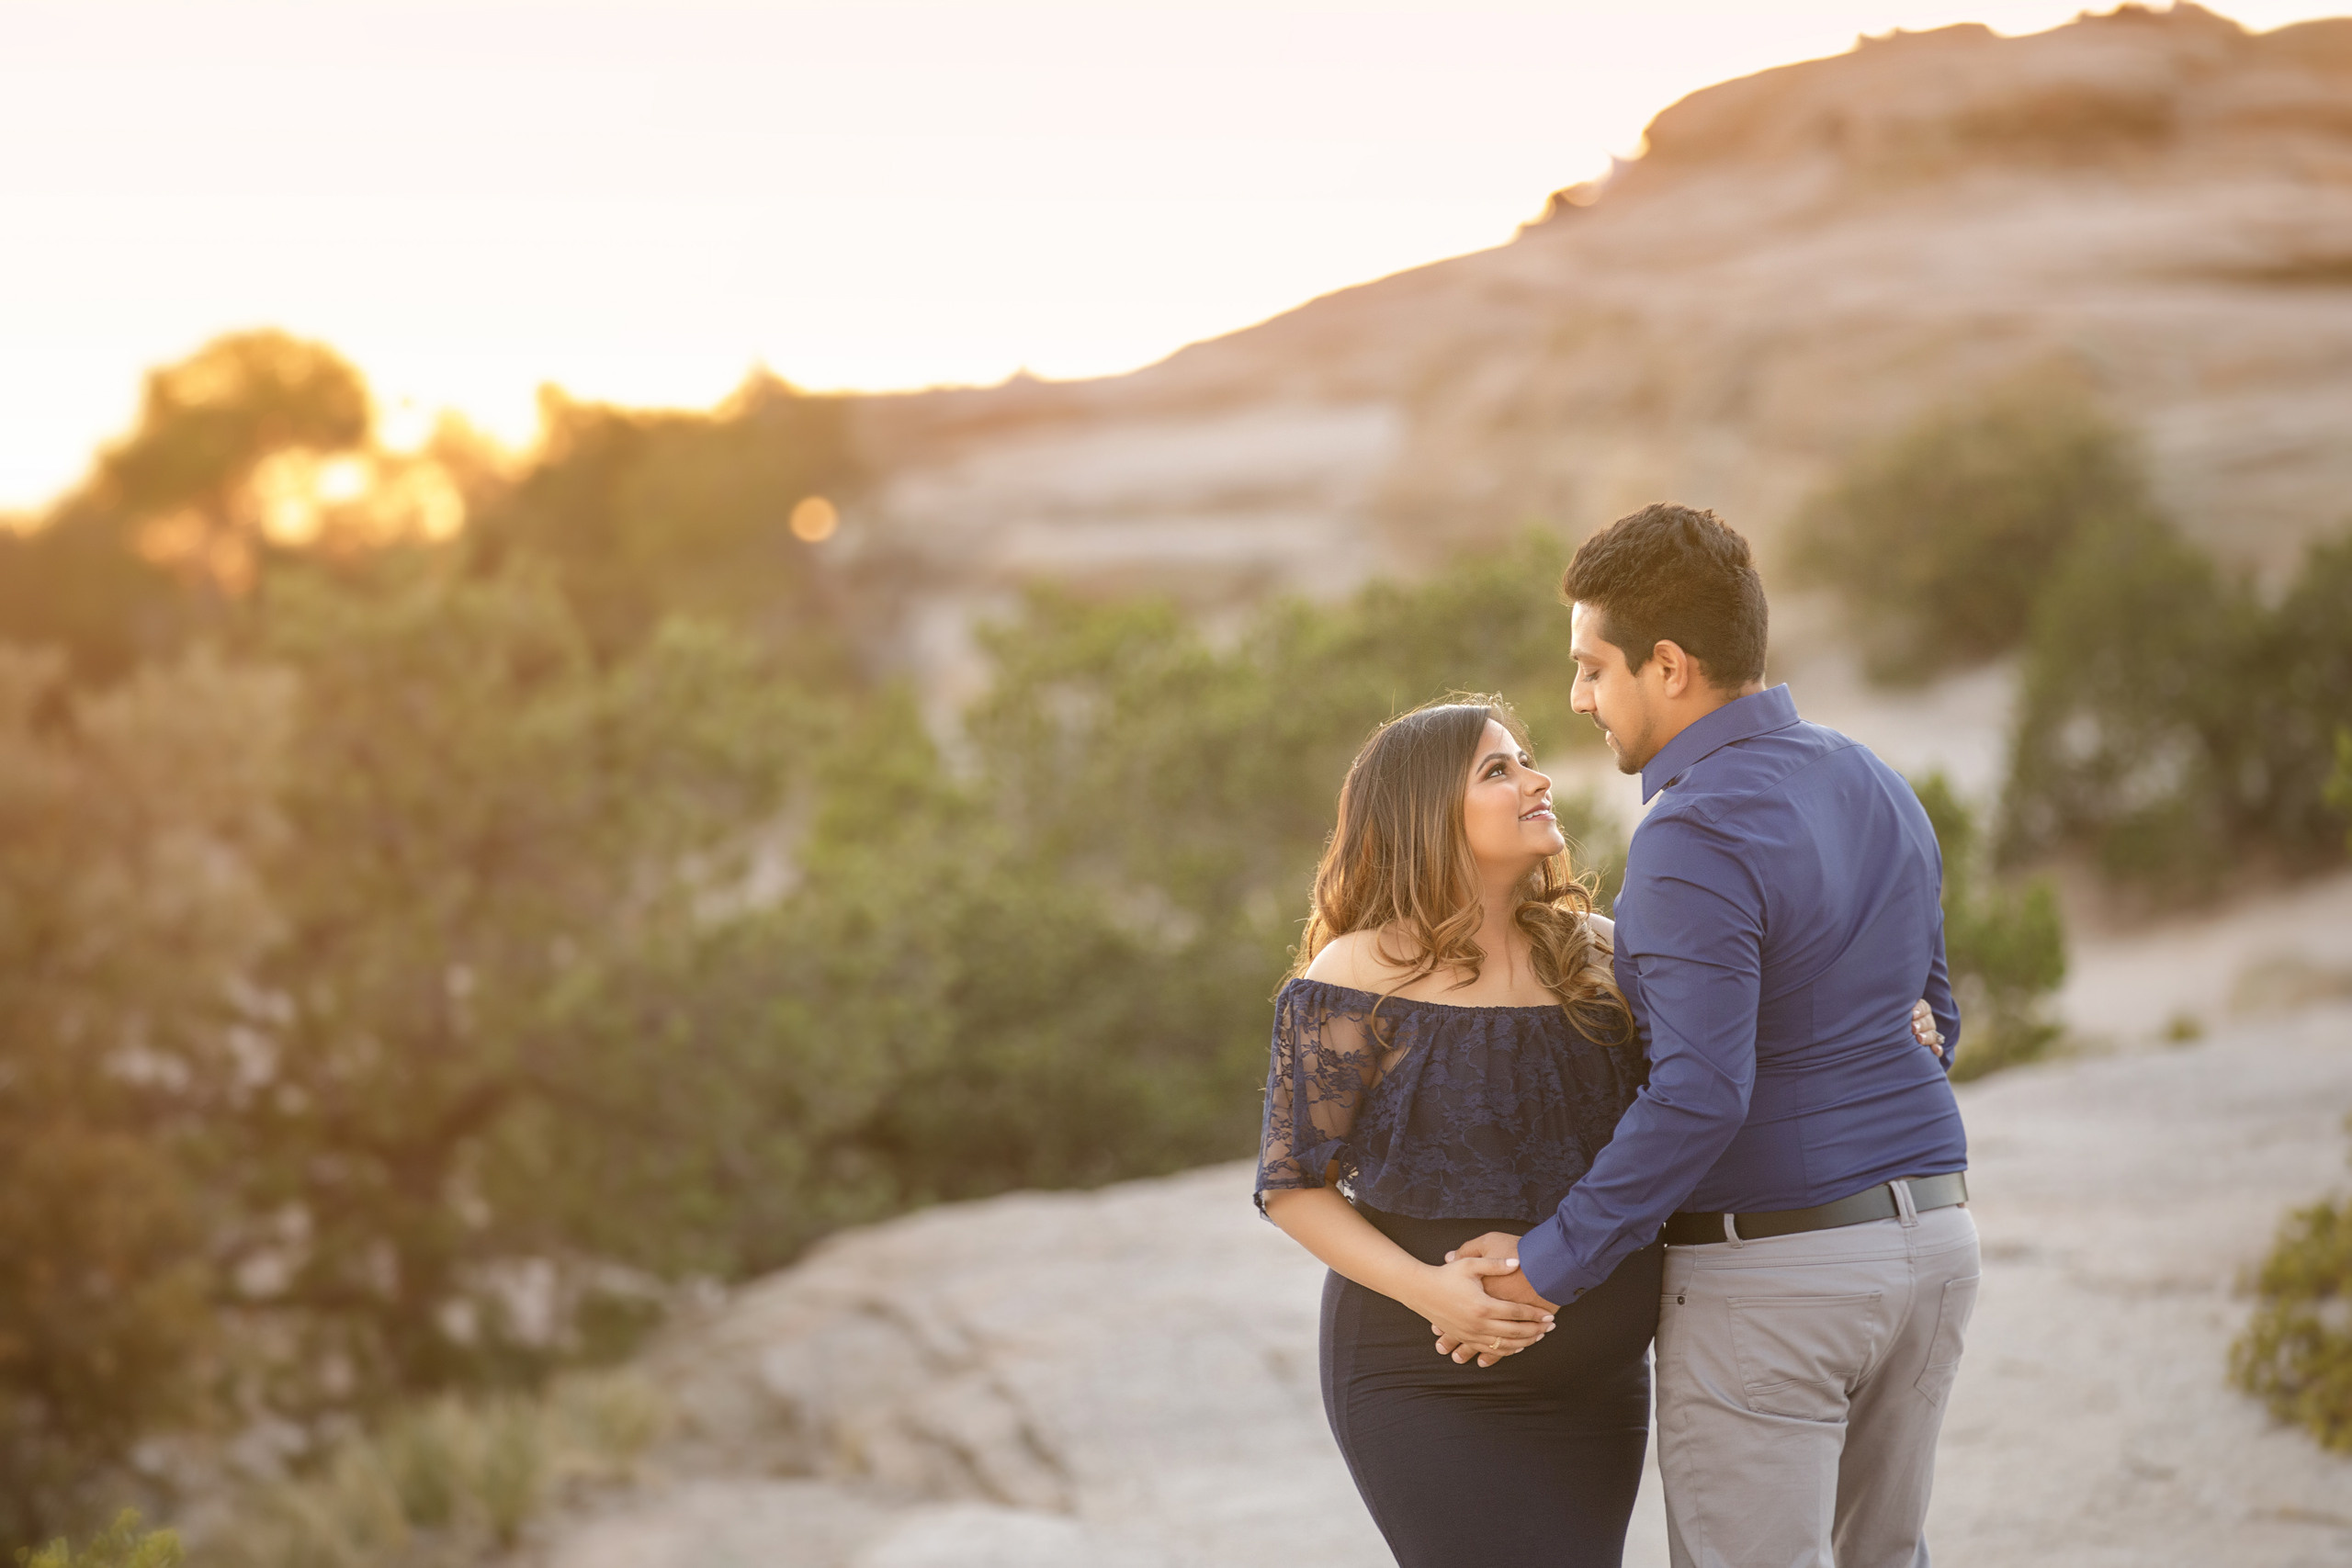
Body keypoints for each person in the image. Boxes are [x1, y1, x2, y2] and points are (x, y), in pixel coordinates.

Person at [1254, 693, 1949, 1567]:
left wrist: (1903, 1020)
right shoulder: (1359, 971)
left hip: (1598, 1384)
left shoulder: (1603, 954)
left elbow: (1730, 1058)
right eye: (1498, 769)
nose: (1537, 780)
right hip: (1422, 1371)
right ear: (1426, 810)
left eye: (1526, 759)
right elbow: (1292, 1184)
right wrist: (1431, 1291)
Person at [1442, 503, 1979, 1568]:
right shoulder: (1873, 780)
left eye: (1593, 669)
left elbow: (1698, 1093)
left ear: (1671, 666)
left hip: (1779, 1281)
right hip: (1933, 1249)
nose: (1578, 698)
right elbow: (1934, 1016)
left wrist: (1547, 1265)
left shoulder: (1692, 831)